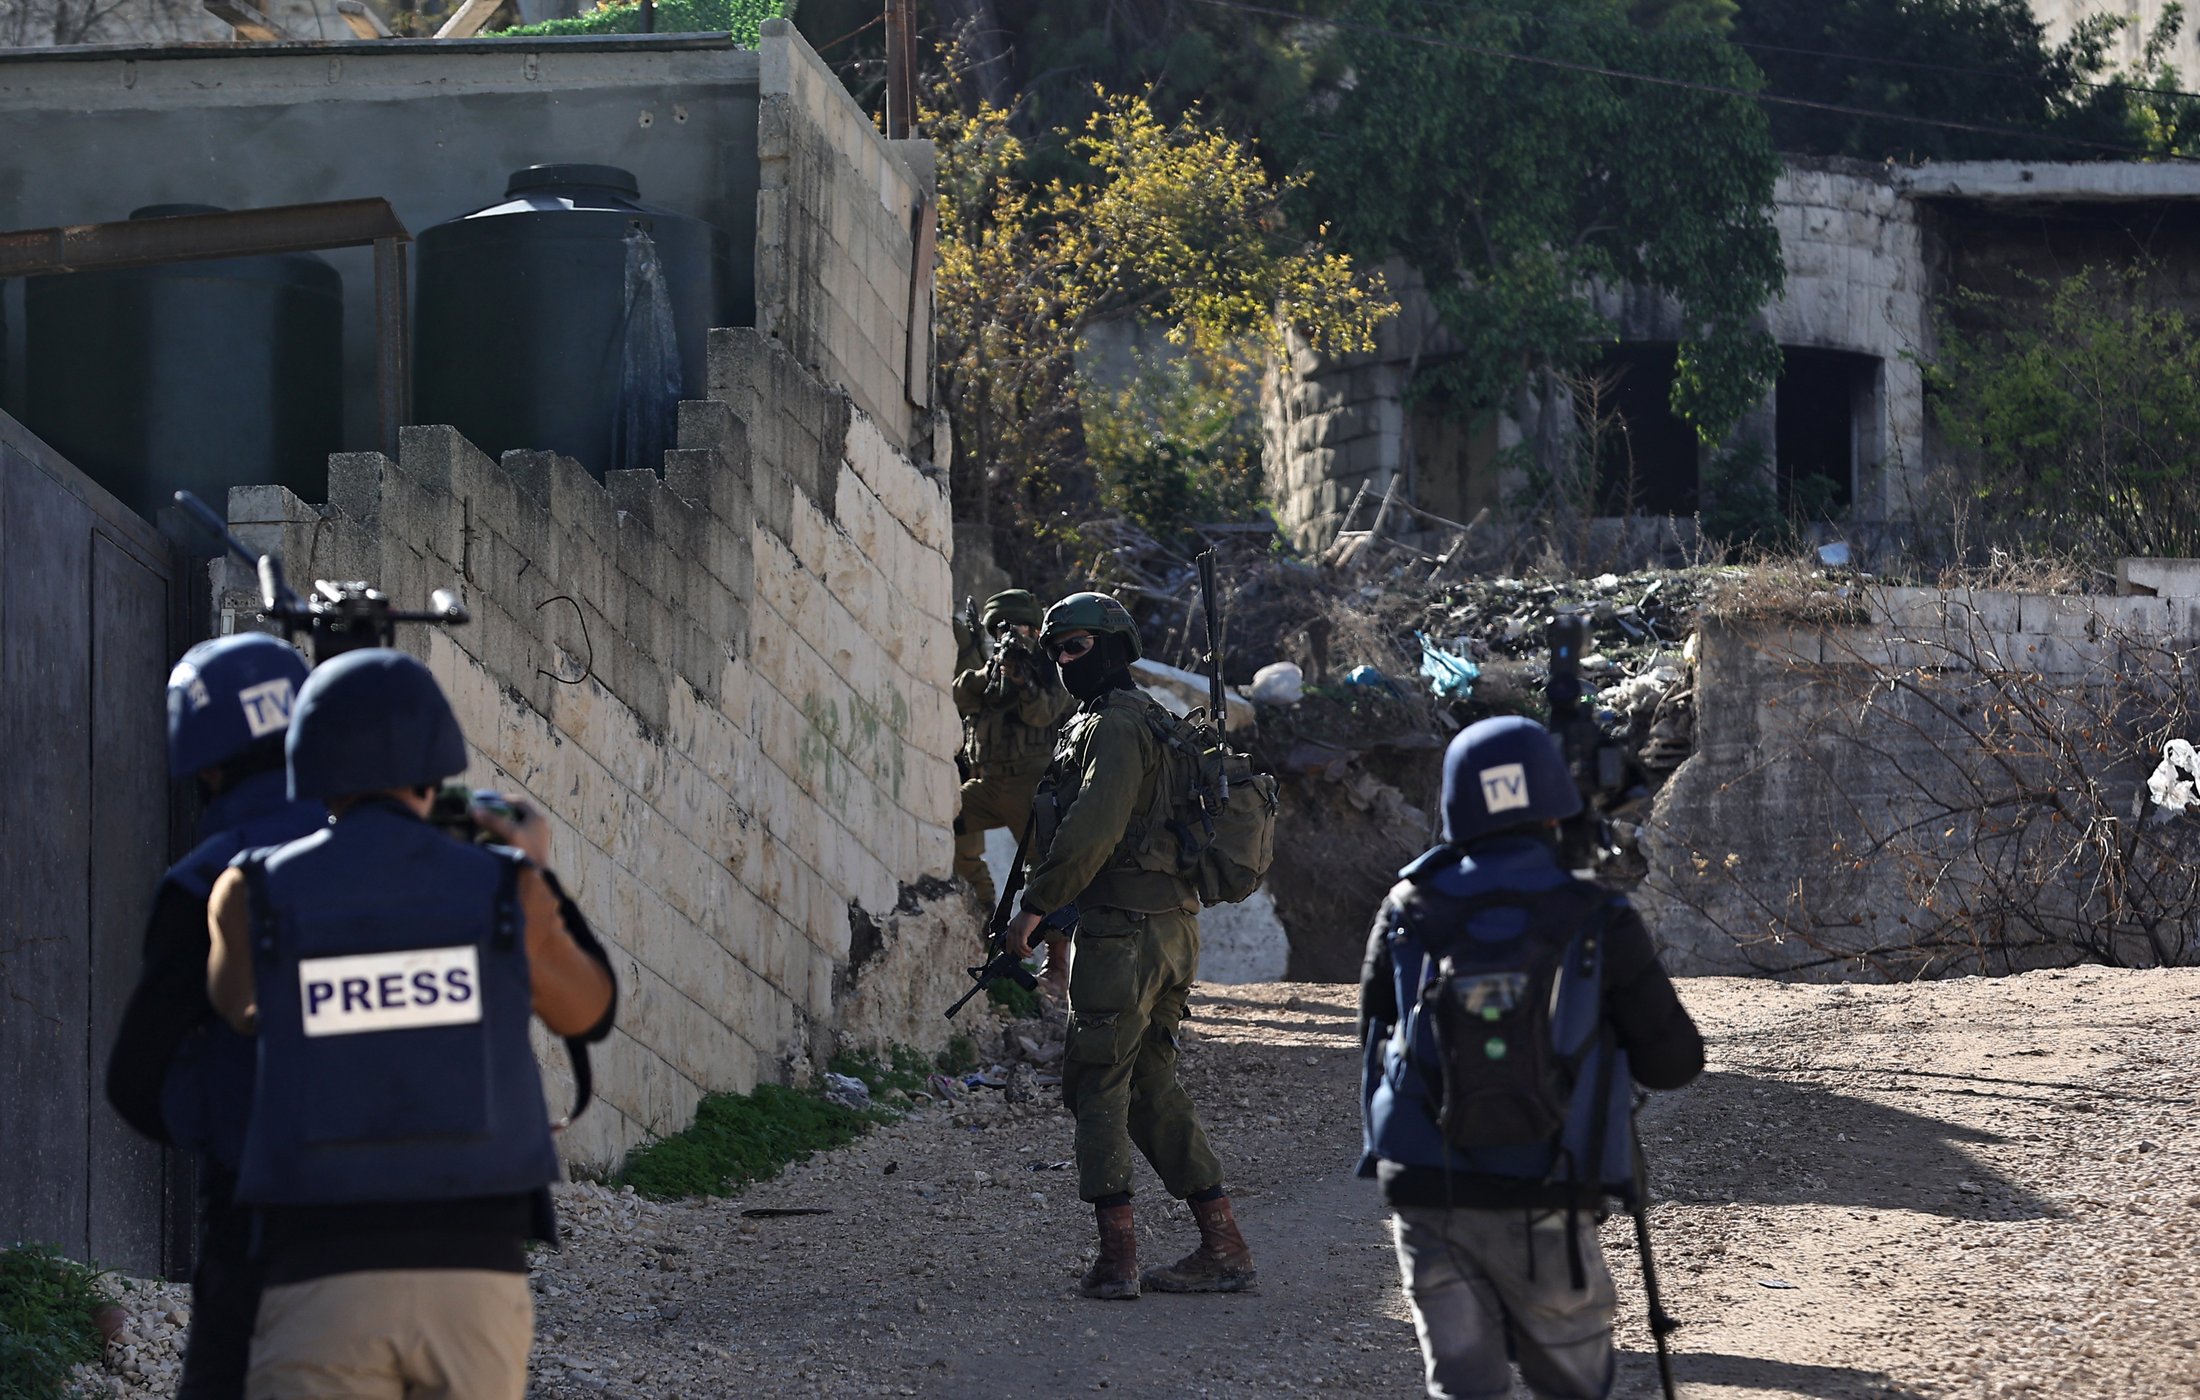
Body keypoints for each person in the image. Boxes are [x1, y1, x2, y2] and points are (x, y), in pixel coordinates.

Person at [203, 647, 616, 1400]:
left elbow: (239, 1010)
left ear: (311, 766)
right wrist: (534, 871)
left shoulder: (249, 891)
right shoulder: (504, 890)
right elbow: (587, 1010)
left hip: (316, 1267)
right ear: (438, 766)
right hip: (472, 1269)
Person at [1358, 715, 1703, 1400]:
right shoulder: (1594, 909)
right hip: (1550, 1185)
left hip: (1427, 1187)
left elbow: (1375, 1045)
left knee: (1464, 1388)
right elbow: (1674, 1064)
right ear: (1554, 800)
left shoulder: (1407, 905)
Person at [1004, 591, 1254, 1301]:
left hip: (1128, 933)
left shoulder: (1116, 727)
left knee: (1096, 1085)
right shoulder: (1153, 720)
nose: (1063, 661)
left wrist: (1034, 909)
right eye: (1056, 651)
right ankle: (1223, 1244)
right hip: (1168, 929)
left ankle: (1118, 1262)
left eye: (1076, 647)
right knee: (1147, 1083)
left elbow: (1094, 827)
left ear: (1114, 648)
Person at [105, 634, 325, 1400]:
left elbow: (134, 1080)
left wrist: (225, 1121)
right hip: (436, 1236)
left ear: (207, 765)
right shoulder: (414, 857)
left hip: (259, 1225)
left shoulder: (206, 882)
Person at [952, 588, 1073, 918]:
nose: (1010, 635)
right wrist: (989, 672)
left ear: (1036, 631)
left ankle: (1054, 954)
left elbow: (1042, 714)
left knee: (1041, 865)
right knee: (943, 826)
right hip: (988, 783)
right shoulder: (993, 668)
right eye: (1002, 629)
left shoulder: (1052, 669)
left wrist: (1022, 681)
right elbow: (962, 696)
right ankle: (982, 916)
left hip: (1030, 784)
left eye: (1019, 628)